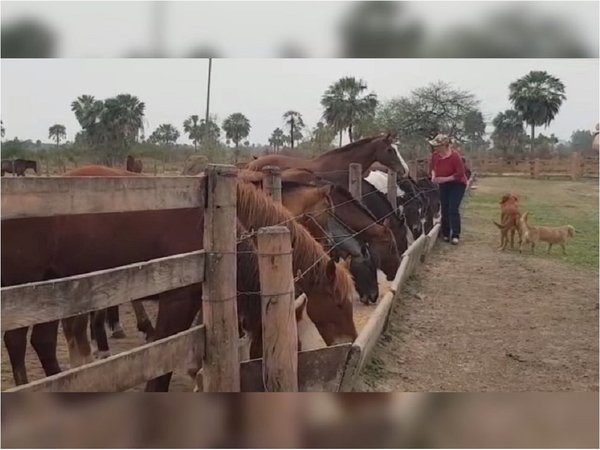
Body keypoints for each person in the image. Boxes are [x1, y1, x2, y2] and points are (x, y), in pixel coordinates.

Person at [429, 133, 468, 245]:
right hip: (443, 184)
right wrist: (433, 176)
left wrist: (444, 179)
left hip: (457, 184)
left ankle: (455, 234)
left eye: (438, 145)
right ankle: (445, 233)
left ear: (444, 145)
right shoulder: (435, 156)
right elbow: (432, 169)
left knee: (453, 208)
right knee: (444, 208)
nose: (435, 148)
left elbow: (460, 173)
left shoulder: (455, 156)